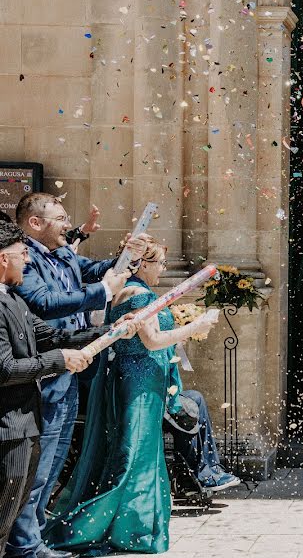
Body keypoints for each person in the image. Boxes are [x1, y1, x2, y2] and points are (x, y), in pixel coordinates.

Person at [46, 238, 218, 555]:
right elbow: (153, 341)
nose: (164, 269)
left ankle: (131, 527)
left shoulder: (133, 293)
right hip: (139, 384)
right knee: (134, 456)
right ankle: (123, 530)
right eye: (161, 263)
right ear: (142, 264)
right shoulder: (138, 294)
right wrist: (195, 325)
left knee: (136, 453)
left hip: (140, 382)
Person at [6, 194, 142, 558]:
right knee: (36, 466)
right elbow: (46, 304)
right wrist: (101, 294)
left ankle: (35, 534)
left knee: (54, 461)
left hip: (71, 366)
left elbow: (99, 270)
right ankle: (25, 545)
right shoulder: (24, 261)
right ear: (35, 223)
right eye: (62, 218)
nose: (69, 224)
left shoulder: (65, 253)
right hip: (46, 370)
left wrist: (132, 255)